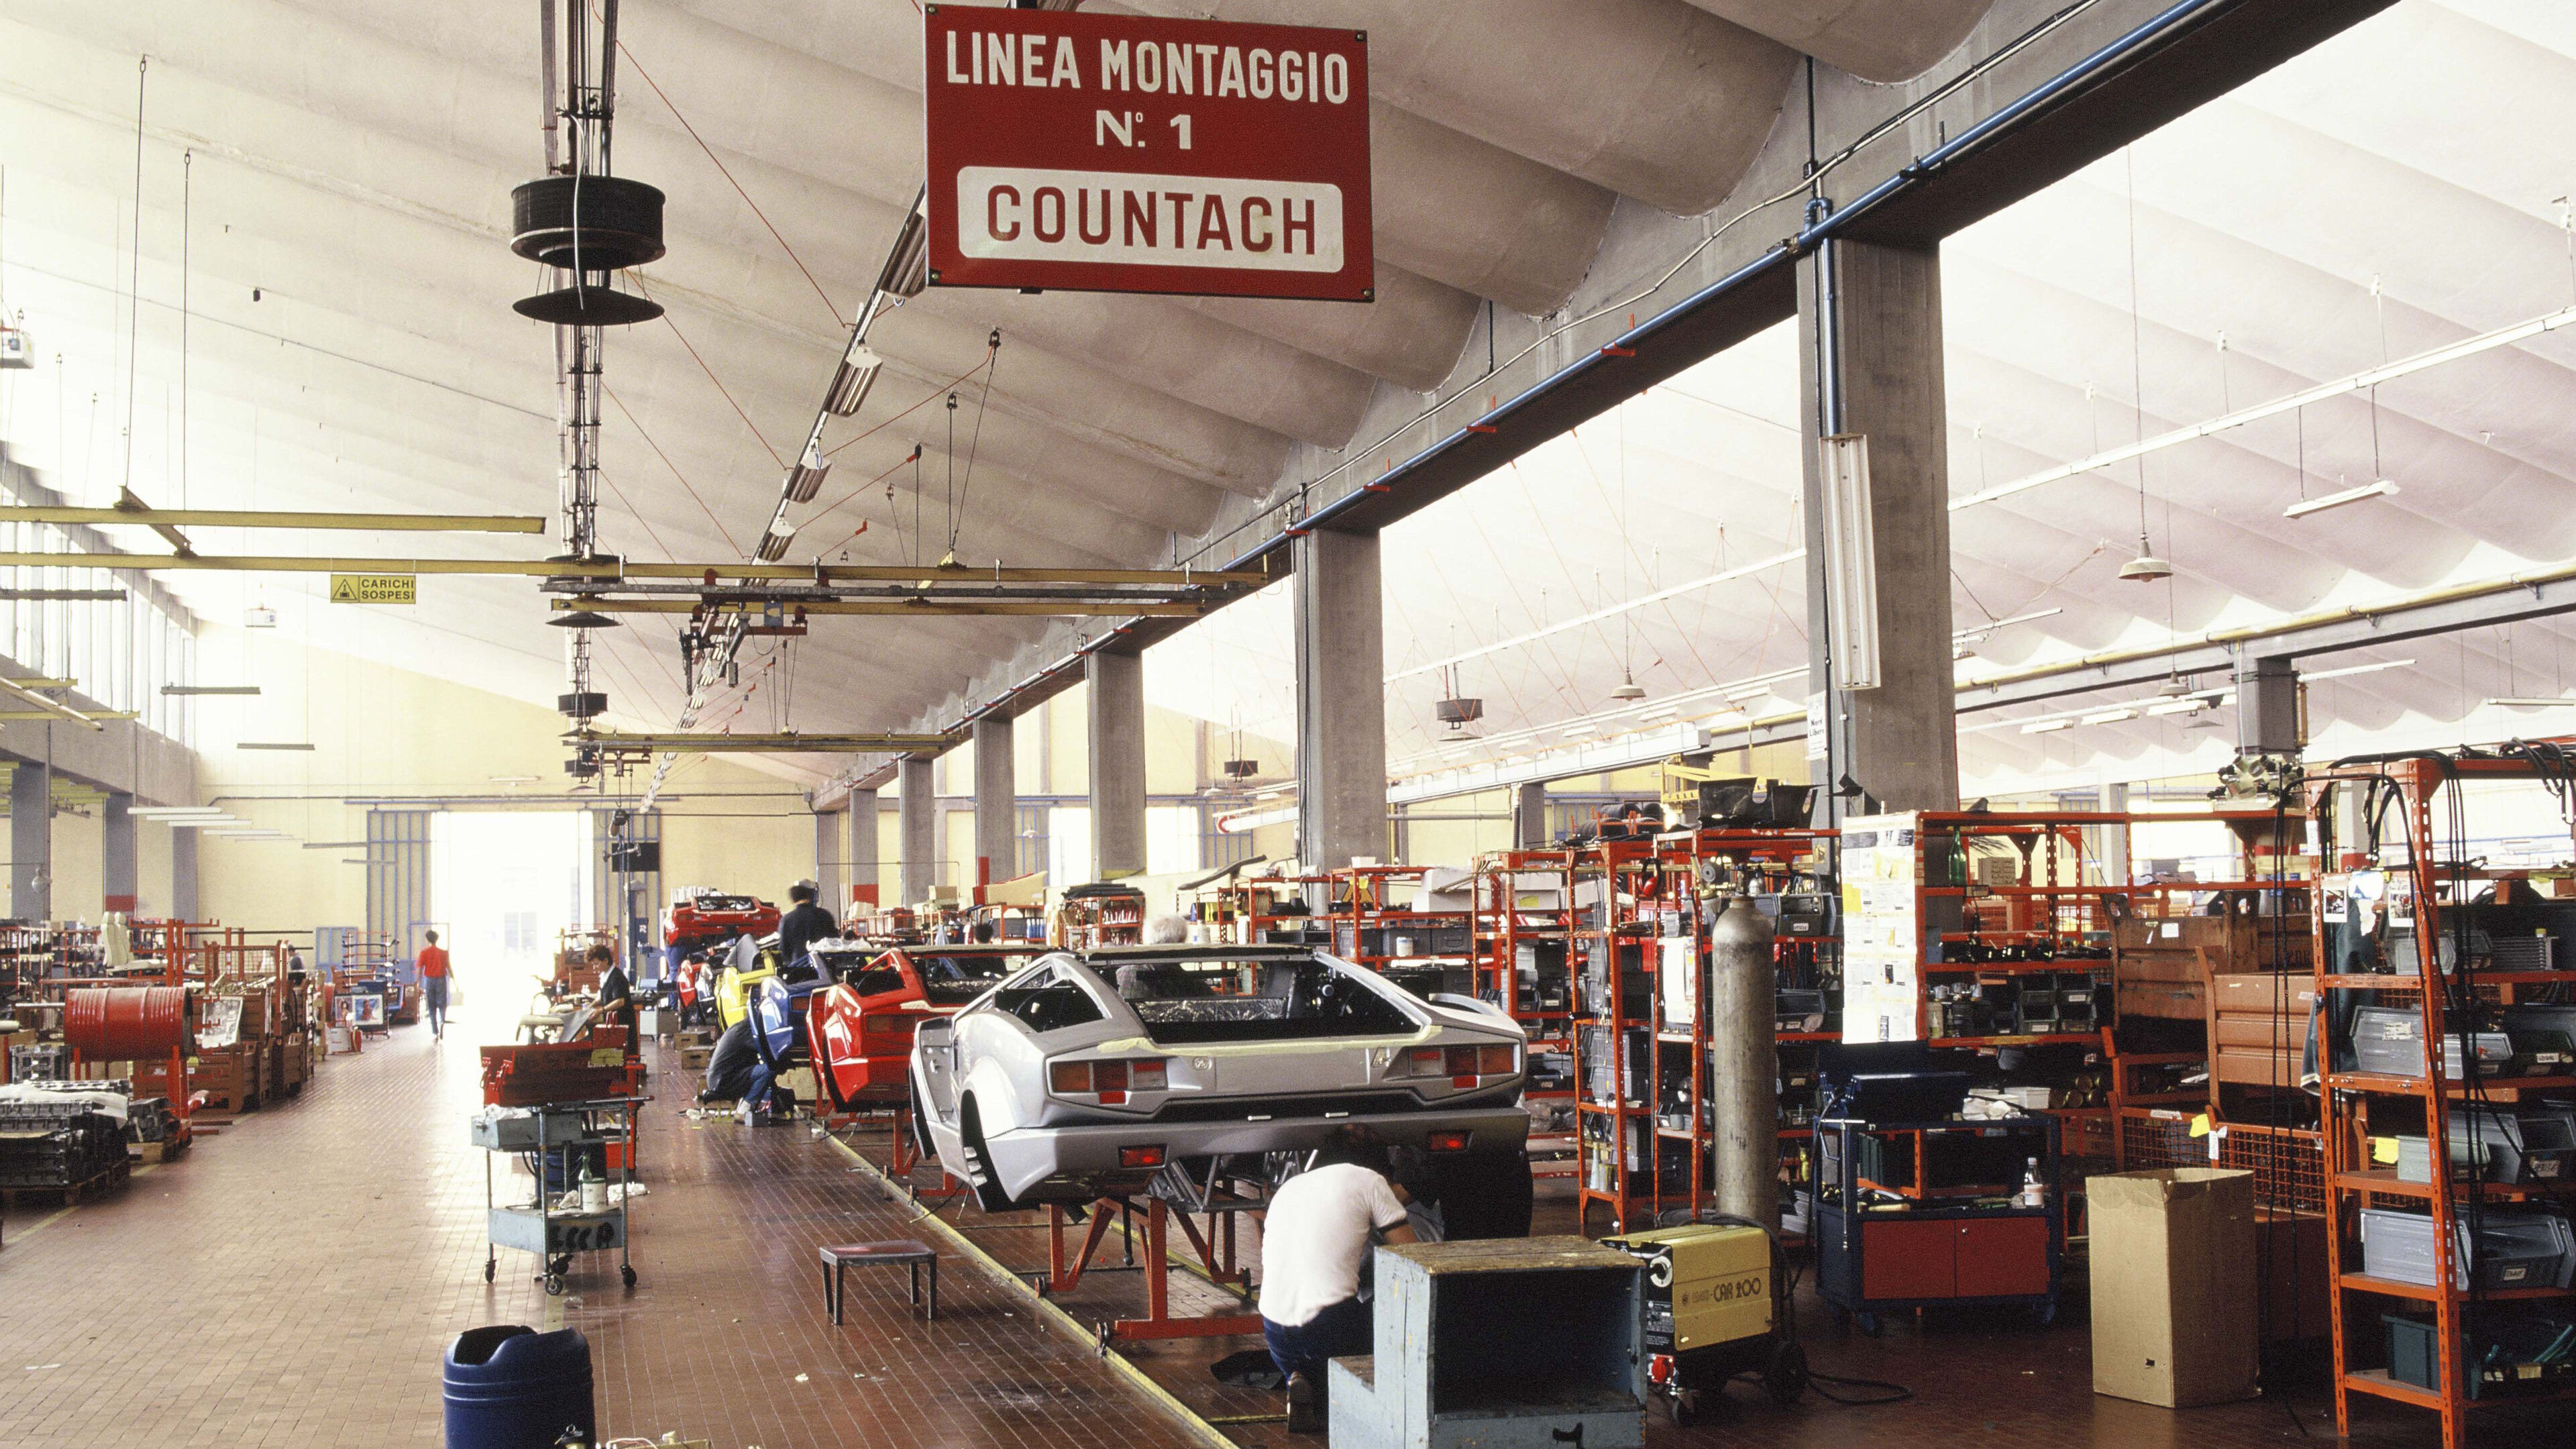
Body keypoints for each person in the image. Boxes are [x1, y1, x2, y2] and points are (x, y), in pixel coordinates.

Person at [1260, 1128, 1417, 1434]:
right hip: (1329, 1331)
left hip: (1275, 1337)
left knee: (1321, 1361)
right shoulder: (1369, 1180)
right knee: (1403, 1299)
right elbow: (1415, 1256)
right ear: (1380, 1169)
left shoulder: (1290, 1187)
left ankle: (1304, 1381)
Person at [776, 879, 836, 970]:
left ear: (793, 900)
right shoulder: (825, 915)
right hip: (825, 969)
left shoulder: (787, 920)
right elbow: (835, 942)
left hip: (798, 969)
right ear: (810, 896)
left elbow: (784, 950)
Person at [592, 944, 637, 1044]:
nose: (594, 968)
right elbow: (600, 997)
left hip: (623, 1020)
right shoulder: (604, 976)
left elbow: (620, 1001)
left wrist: (601, 1010)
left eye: (596, 964)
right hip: (613, 1021)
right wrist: (590, 1007)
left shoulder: (617, 977)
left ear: (606, 961)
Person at [418, 930, 451, 1040]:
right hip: (441, 980)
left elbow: (420, 969)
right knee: (442, 1004)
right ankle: (442, 1021)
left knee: (431, 1007)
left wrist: (417, 983)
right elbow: (449, 967)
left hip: (430, 981)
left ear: (428, 939)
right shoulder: (443, 953)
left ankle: (435, 1033)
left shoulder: (424, 953)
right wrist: (454, 981)